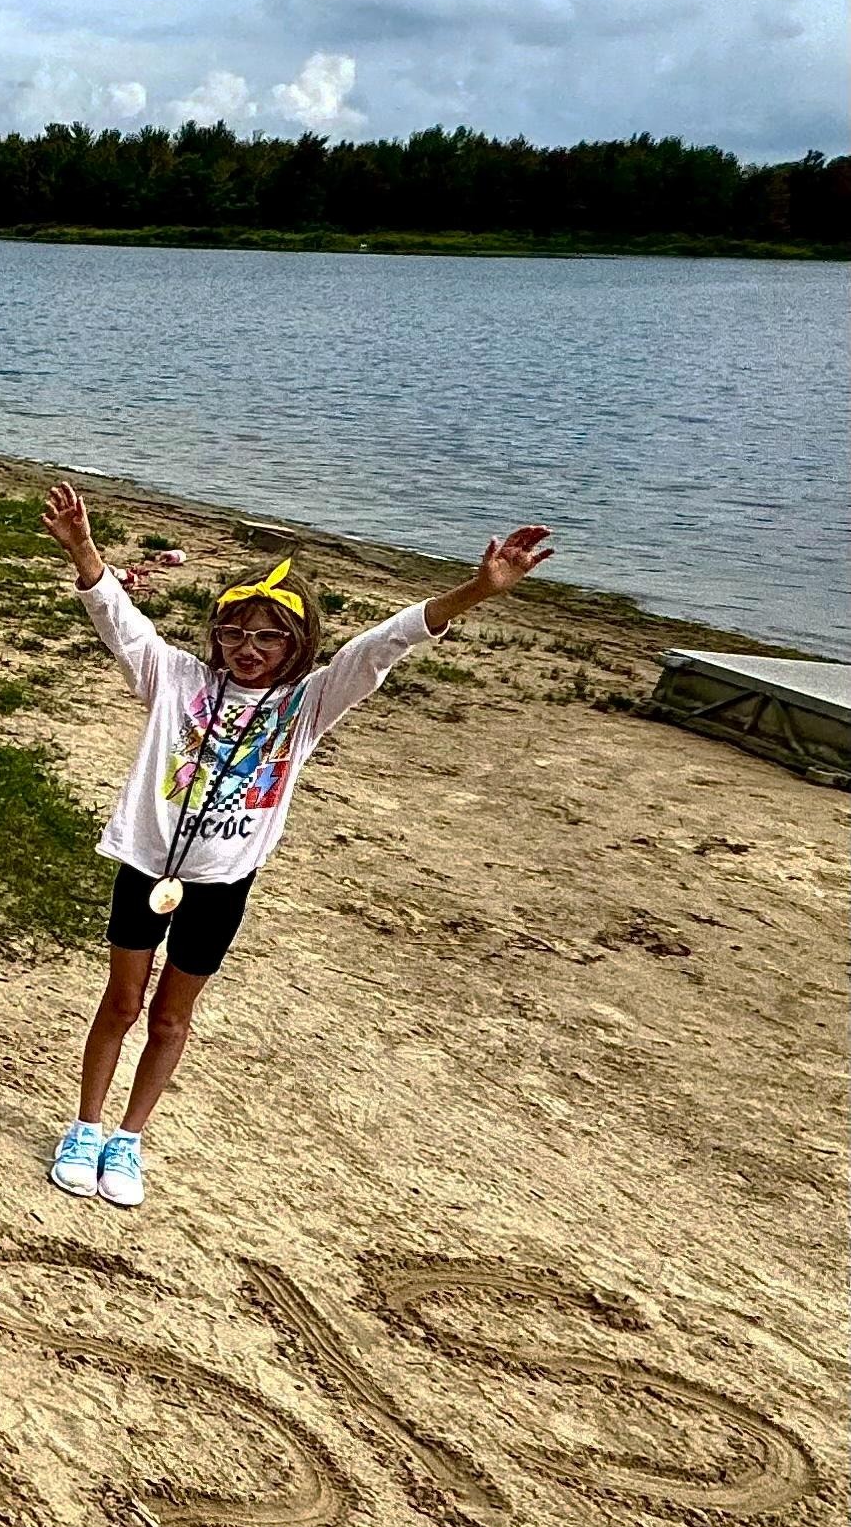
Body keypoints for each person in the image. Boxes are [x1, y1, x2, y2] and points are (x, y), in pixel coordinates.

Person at [39, 485, 556, 1207]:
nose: (246, 650)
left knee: (170, 1015)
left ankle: (128, 1136)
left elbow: (385, 644)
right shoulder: (176, 677)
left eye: (267, 637)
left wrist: (476, 589)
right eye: (233, 633)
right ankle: (85, 1125)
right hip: (146, 865)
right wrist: (82, 549)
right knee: (121, 1002)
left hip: (221, 882)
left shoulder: (306, 703)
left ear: (298, 643)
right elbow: (118, 621)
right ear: (213, 635)